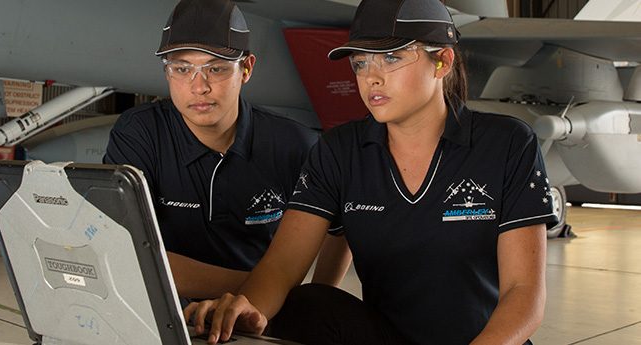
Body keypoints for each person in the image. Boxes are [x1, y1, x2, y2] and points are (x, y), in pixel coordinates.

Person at [185, 0, 558, 344]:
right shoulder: (340, 150)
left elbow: (523, 293)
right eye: (361, 63)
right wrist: (250, 307)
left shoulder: (506, 143)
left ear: (442, 62)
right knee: (306, 303)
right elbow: (283, 264)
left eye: (391, 59)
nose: (371, 78)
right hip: (388, 337)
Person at [103, 0, 347, 301]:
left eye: (216, 68)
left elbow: (340, 228)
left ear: (246, 69)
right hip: (165, 313)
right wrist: (267, 287)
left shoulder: (294, 145)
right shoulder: (140, 134)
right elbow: (123, 252)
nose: (199, 86)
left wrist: (318, 300)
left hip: (255, 319)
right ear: (166, 72)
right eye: (182, 68)